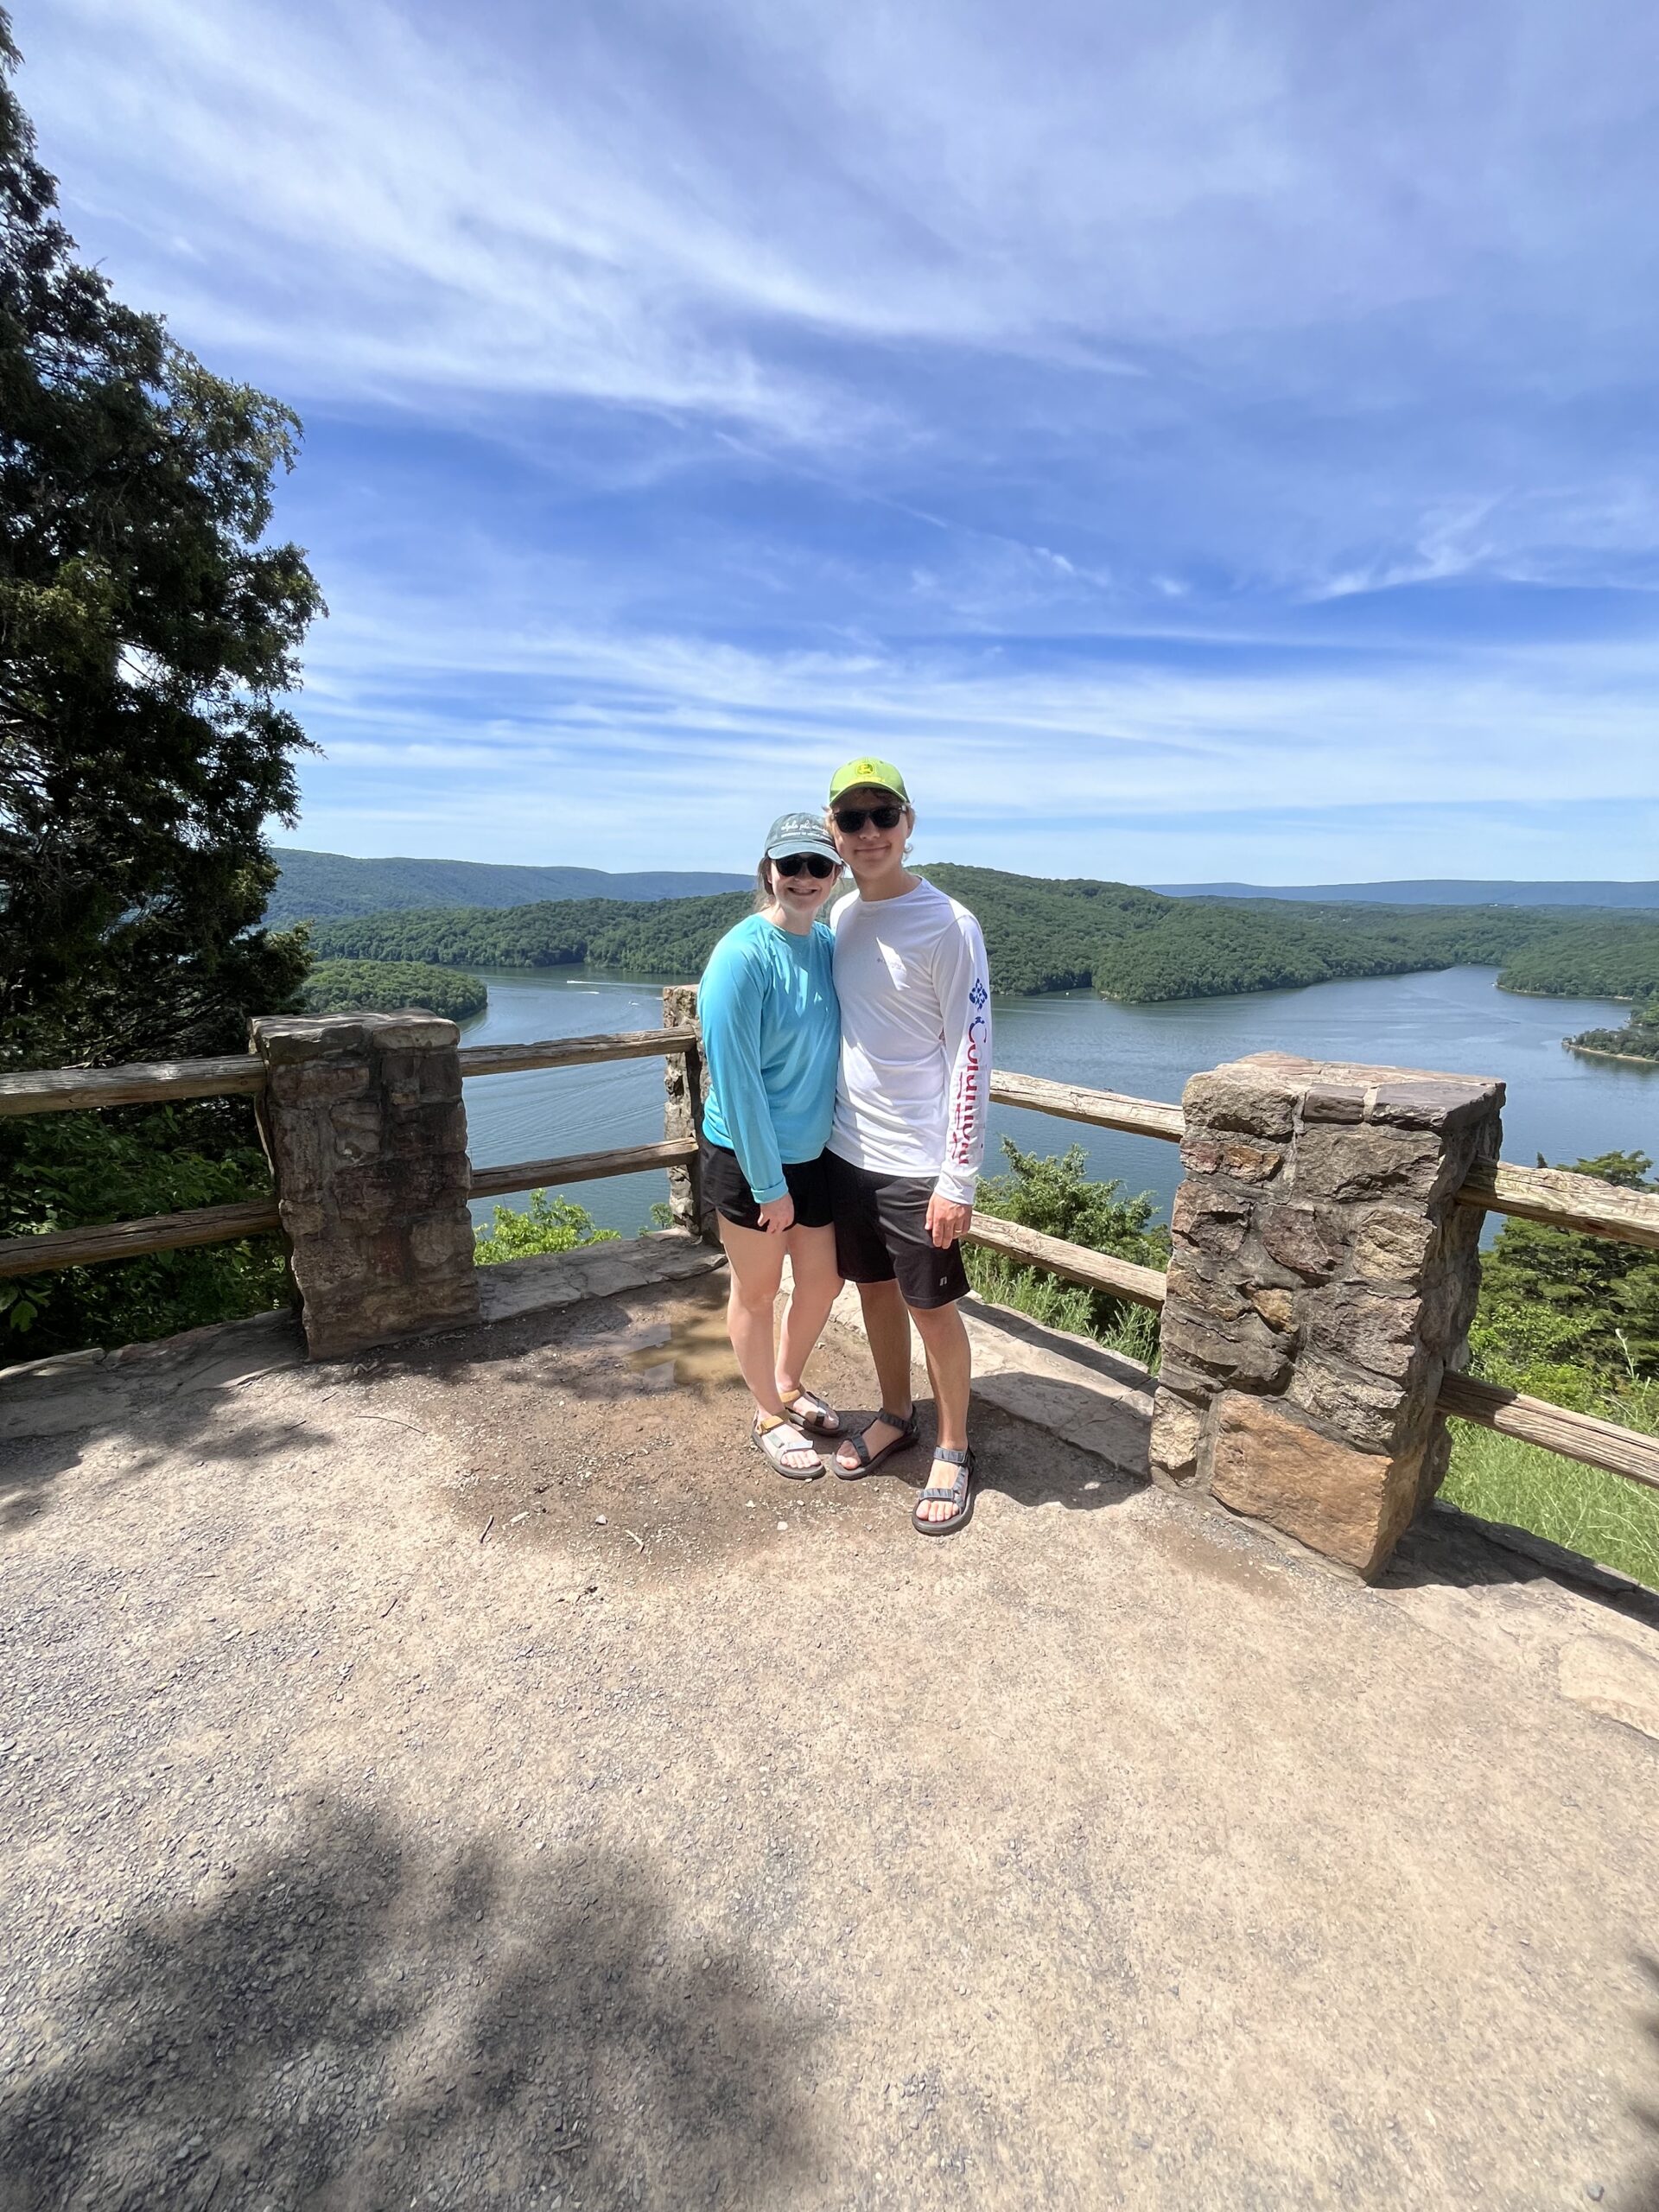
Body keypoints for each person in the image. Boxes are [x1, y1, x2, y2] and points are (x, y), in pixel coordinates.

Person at [822, 757, 990, 1535]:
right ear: (835, 831)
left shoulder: (950, 924)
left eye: (882, 816)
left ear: (908, 825)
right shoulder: (841, 917)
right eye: (851, 820)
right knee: (875, 1294)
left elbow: (972, 1051)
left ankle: (953, 1447)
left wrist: (958, 1176)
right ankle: (898, 1415)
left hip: (919, 1162)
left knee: (933, 1306)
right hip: (847, 1150)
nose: (868, 833)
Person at [697, 810, 847, 1478]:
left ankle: (787, 1382)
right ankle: (765, 1412)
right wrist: (769, 1187)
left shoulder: (824, 945)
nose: (805, 878)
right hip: (750, 1158)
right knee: (757, 1291)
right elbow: (736, 1083)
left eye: (818, 865)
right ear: (768, 872)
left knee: (822, 1281)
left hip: (814, 1152)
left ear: (835, 874)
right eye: (791, 865)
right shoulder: (740, 957)